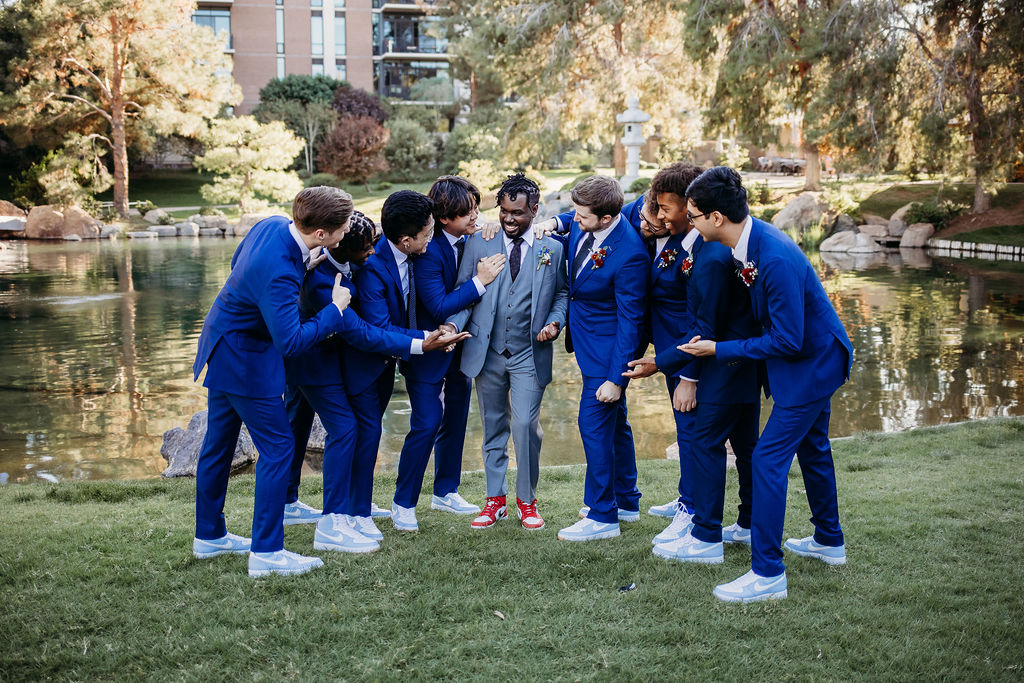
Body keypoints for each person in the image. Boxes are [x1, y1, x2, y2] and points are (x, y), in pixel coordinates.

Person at [679, 166, 852, 602]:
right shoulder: (750, 243)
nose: (691, 223)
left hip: (811, 365)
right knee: (813, 448)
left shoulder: (771, 257)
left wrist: (720, 349)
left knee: (767, 461)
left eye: (694, 216)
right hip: (808, 360)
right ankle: (829, 541)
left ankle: (768, 574)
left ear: (716, 218)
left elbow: (788, 340)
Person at [191, 186, 353, 577]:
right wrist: (334, 310)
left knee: (218, 446)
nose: (347, 232)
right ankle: (267, 553)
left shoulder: (272, 225)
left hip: (221, 343)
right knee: (280, 448)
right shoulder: (280, 271)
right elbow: (293, 341)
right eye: (344, 227)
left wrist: (300, 269)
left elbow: (239, 264)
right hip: (247, 361)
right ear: (321, 234)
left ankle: (209, 537)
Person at [283, 211, 455, 553]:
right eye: (366, 248)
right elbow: (363, 333)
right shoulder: (322, 282)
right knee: (344, 431)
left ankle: (348, 508)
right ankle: (339, 517)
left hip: (339, 365)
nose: (374, 252)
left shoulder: (344, 264)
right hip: (316, 366)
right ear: (343, 247)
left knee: (352, 431)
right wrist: (422, 342)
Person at [624, 168, 761, 560]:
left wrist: (669, 366)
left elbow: (706, 325)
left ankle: (704, 535)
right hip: (728, 363)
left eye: (667, 208)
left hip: (721, 366)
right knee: (744, 448)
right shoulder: (700, 245)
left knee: (705, 444)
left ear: (694, 208)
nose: (659, 215)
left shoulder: (712, 254)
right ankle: (747, 523)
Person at [447, 173, 569, 530]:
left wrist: (555, 322)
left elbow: (562, 294)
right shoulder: (480, 243)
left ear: (535, 209)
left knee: (525, 425)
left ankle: (527, 501)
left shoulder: (553, 249)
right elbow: (463, 291)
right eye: (503, 211)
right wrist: (454, 326)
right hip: (487, 351)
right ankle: (494, 499)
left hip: (530, 352)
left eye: (517, 212)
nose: (509, 219)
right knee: (493, 426)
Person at [391, 179, 506, 531]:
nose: (476, 214)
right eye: (469, 210)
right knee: (426, 423)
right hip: (428, 347)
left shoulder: (472, 235)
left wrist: (488, 227)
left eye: (476, 206)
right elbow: (438, 305)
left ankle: (445, 491)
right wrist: (479, 281)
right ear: (444, 219)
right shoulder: (428, 250)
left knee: (455, 419)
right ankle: (403, 503)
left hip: (462, 347)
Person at [554, 175, 648, 541]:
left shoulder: (631, 255)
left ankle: (602, 515)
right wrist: (555, 222)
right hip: (587, 341)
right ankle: (626, 500)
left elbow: (631, 321)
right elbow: (570, 222)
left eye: (581, 216)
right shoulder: (589, 222)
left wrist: (616, 378)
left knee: (592, 427)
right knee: (616, 426)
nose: (574, 220)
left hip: (609, 354)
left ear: (606, 219)